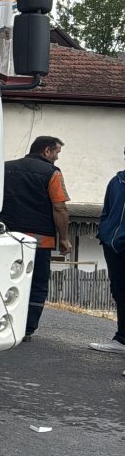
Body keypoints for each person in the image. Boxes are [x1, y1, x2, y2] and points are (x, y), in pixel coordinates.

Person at [0, 136, 72, 342]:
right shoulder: (52, 173)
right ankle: (27, 329)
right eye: (56, 152)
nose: (57, 157)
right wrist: (64, 239)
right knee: (36, 285)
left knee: (5, 281)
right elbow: (59, 207)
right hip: (39, 242)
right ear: (47, 151)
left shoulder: (6, 168)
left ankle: (0, 324)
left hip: (6, 237)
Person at [90, 146, 125, 355]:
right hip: (113, 246)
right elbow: (107, 210)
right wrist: (105, 231)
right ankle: (122, 340)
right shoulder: (116, 181)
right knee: (120, 292)